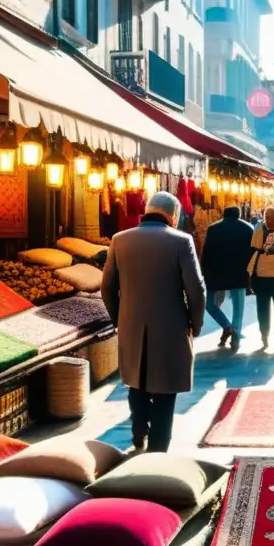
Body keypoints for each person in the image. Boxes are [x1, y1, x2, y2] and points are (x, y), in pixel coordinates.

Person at [101, 192, 205, 453]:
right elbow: (196, 288)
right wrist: (196, 321)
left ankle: (139, 431)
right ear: (173, 216)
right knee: (165, 390)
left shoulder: (119, 240)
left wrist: (119, 318)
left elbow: (107, 287)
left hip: (131, 323)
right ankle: (158, 450)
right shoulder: (181, 241)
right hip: (171, 325)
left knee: (136, 380)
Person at [201, 205, 254, 350]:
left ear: (224, 215)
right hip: (239, 273)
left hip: (216, 273)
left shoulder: (213, 229)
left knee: (210, 305)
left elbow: (206, 253)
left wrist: (204, 273)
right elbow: (253, 254)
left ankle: (226, 325)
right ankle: (235, 335)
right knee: (238, 307)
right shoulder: (248, 228)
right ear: (238, 215)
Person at [248, 206, 274, 353]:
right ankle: (264, 334)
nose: (267, 222)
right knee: (263, 308)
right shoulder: (259, 230)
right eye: (266, 219)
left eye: (270, 219)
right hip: (262, 276)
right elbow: (253, 250)